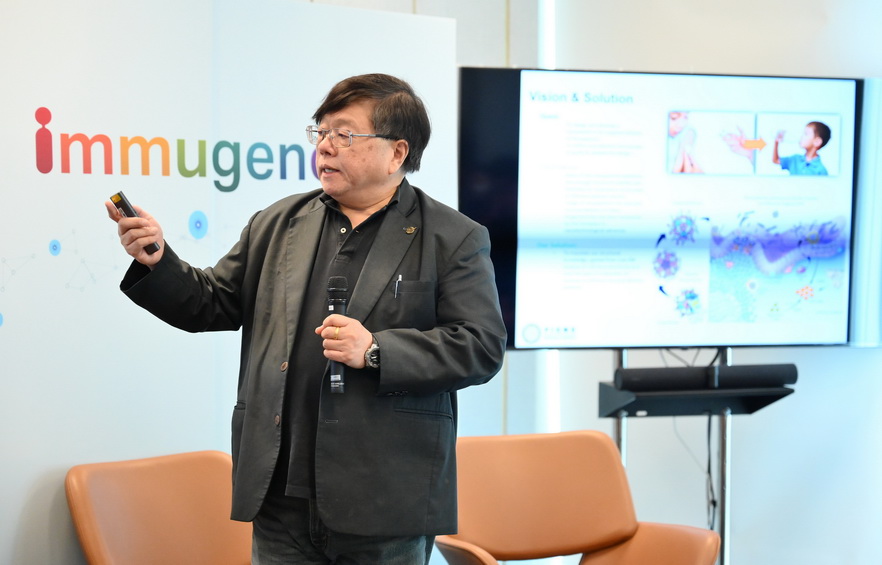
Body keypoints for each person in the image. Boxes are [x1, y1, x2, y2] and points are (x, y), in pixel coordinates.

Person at [105, 73, 507, 565]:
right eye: (321, 131)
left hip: (385, 498)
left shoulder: (452, 236)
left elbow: (480, 345)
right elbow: (212, 302)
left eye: (345, 134)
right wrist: (157, 260)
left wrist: (376, 350)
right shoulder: (278, 222)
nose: (325, 146)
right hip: (280, 493)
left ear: (397, 153)